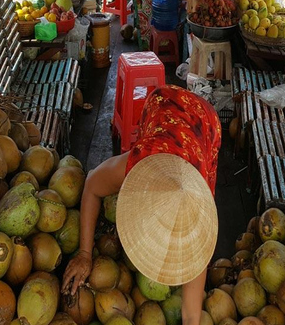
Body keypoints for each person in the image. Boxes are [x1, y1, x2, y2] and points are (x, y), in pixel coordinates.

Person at [62, 85, 221, 325]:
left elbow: (191, 316)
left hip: (205, 125)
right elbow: (93, 184)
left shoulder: (200, 229)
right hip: (166, 104)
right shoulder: (138, 163)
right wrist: (85, 253)